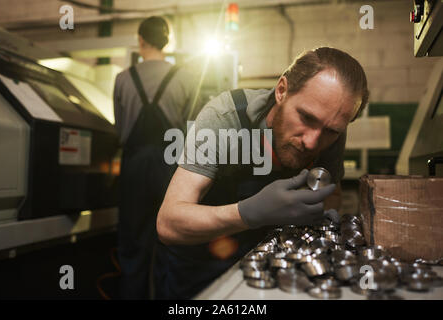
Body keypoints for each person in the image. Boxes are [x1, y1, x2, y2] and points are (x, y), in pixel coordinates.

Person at [154, 47, 369, 299]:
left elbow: (331, 194)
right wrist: (248, 212)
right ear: (281, 91)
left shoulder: (331, 132)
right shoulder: (225, 118)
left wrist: (322, 221)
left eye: (331, 130)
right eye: (306, 117)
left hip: (270, 270)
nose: (312, 142)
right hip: (200, 268)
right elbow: (168, 223)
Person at [113, 16, 199, 299]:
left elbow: (119, 127)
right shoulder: (186, 78)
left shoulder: (123, 78)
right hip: (171, 165)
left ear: (140, 41)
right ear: (167, 42)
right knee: (170, 239)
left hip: (134, 165)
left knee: (131, 243)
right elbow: (190, 127)